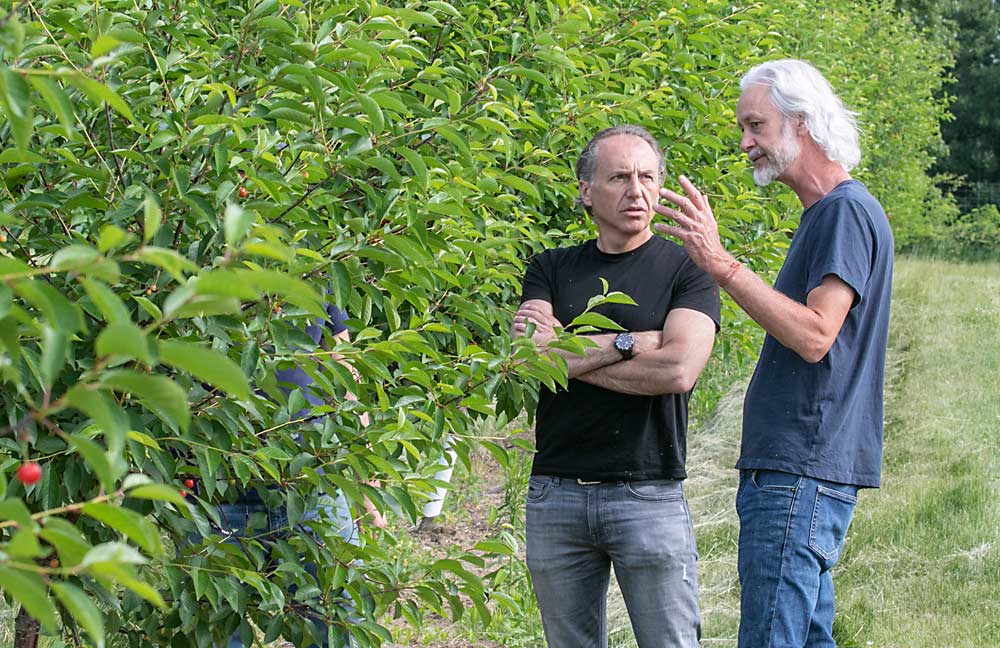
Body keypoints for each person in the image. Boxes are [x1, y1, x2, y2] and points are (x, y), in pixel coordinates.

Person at [653, 59, 893, 647]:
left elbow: (816, 335)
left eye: (756, 125)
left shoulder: (843, 212)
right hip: (802, 471)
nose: (745, 142)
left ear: (802, 123)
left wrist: (721, 264)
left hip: (798, 473)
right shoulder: (832, 213)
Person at [511, 124, 720, 648]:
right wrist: (634, 341)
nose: (638, 191)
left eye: (648, 177)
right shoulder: (550, 268)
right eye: (620, 177)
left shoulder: (689, 269)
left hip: (647, 492)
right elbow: (530, 360)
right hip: (556, 491)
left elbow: (677, 371)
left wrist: (570, 354)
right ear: (586, 190)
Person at [193, 302, 382, 648]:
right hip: (215, 489)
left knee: (340, 621)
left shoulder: (314, 259)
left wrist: (365, 474)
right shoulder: (188, 263)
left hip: (312, 482)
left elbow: (344, 368)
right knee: (214, 632)